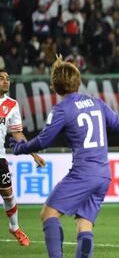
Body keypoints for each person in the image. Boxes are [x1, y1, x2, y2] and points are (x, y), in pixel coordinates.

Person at [9, 55, 119, 258]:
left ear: (54, 85)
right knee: (84, 225)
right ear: (78, 82)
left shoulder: (61, 109)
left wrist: (20, 148)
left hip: (83, 173)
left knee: (48, 214)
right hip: (103, 175)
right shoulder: (96, 103)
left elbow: (43, 141)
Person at [0, 68, 45, 247]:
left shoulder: (11, 105)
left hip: (0, 156)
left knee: (7, 194)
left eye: (8, 78)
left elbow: (17, 134)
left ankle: (15, 227)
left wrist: (33, 154)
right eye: (1, 78)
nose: (6, 81)